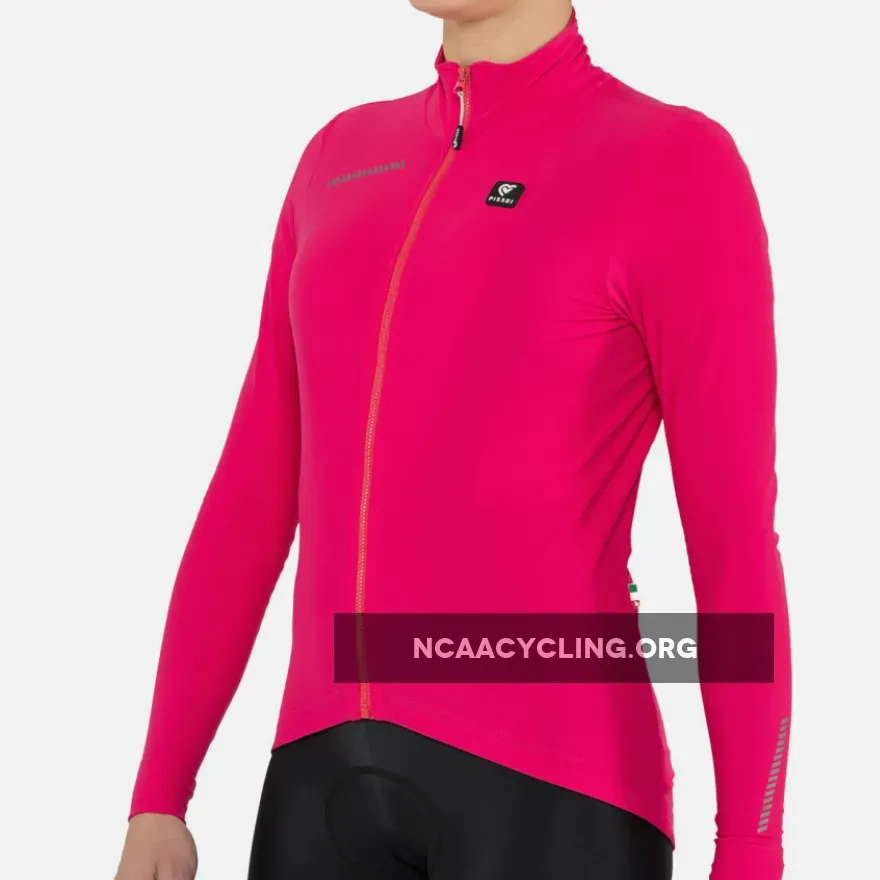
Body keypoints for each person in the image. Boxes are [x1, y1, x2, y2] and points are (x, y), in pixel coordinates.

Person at [114, 0, 792, 878]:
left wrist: (752, 849)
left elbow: (733, 543)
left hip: (557, 794)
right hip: (318, 780)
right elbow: (253, 490)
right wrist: (160, 792)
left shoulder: (671, 162)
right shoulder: (339, 157)